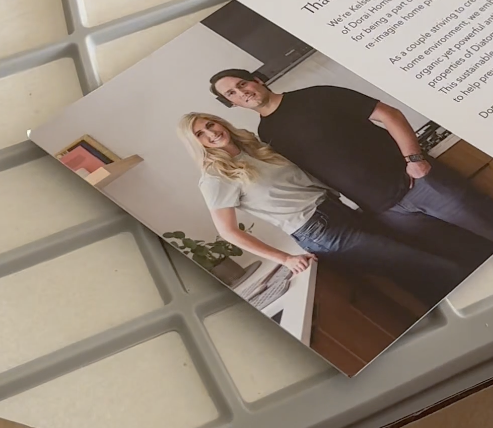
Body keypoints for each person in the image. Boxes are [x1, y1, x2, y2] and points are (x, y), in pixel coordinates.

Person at [208, 69, 493, 260]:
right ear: (232, 103)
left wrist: (415, 161)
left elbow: (389, 114)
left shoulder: (316, 95)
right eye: (232, 93)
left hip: (422, 184)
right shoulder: (266, 135)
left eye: (242, 84)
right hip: (387, 213)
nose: (241, 93)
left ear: (258, 80)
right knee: (473, 257)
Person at [178, 113, 476, 313]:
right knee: (434, 266)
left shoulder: (253, 148)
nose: (211, 133)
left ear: (221, 122)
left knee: (413, 272)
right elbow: (228, 232)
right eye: (201, 134)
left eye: (210, 125)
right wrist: (285, 259)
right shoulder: (216, 176)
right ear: (197, 144)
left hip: (338, 211)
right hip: (322, 232)